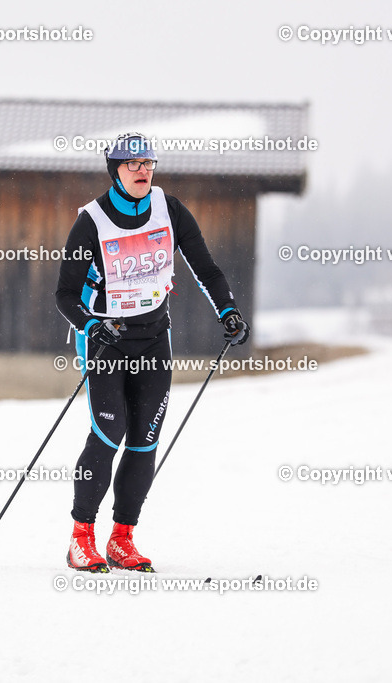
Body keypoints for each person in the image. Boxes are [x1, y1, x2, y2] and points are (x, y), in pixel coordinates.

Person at [55, 132, 249, 573]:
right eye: (133, 163)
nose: (143, 170)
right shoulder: (92, 221)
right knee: (109, 433)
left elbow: (206, 268)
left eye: (149, 162)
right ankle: (80, 537)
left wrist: (229, 311)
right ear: (116, 171)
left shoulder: (170, 210)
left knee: (145, 439)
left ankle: (122, 539)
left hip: (154, 338)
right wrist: (91, 325)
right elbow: (65, 294)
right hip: (106, 341)